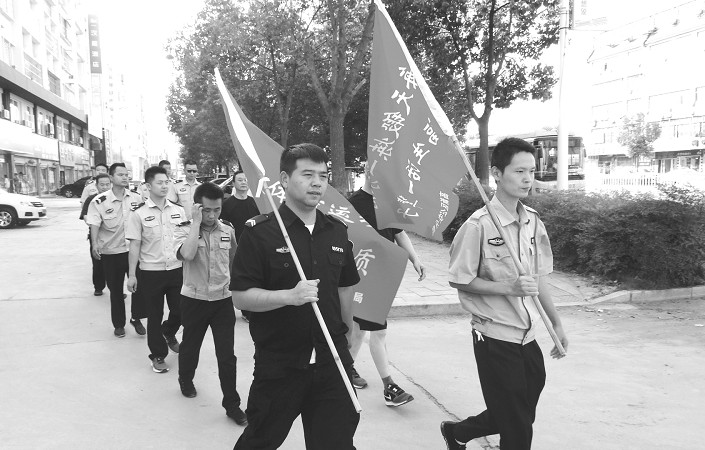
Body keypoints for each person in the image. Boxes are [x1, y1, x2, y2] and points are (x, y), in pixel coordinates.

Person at [231, 143, 361, 449]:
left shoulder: (336, 231)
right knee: (260, 441)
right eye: (307, 175)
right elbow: (241, 297)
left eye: (323, 176)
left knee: (336, 444)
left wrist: (347, 335)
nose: (317, 183)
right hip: (280, 364)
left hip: (332, 362)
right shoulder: (260, 233)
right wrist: (289, 296)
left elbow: (345, 287)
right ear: (285, 180)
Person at [442, 137, 569, 450]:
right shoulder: (479, 226)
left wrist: (556, 323)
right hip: (494, 336)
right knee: (517, 427)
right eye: (519, 171)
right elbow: (460, 279)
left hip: (528, 336)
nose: (527, 179)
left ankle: (458, 432)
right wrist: (508, 288)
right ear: (497, 174)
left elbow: (539, 278)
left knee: (520, 412)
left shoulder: (533, 221)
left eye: (531, 171)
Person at [346, 161, 426, 407]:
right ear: (367, 171)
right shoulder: (353, 204)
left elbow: (399, 233)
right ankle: (388, 386)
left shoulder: (388, 203)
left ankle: (345, 372)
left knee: (362, 331)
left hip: (383, 276)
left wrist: (415, 259)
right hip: (361, 275)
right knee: (368, 330)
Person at [174, 181, 246, 426]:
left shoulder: (227, 230)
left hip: (222, 300)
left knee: (227, 356)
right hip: (194, 299)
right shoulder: (184, 229)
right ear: (197, 207)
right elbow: (187, 254)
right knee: (191, 346)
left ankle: (232, 404)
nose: (212, 215)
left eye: (217, 210)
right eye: (206, 210)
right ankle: (186, 379)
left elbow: (234, 260)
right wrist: (195, 223)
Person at [126, 166, 186, 373]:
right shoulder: (138, 214)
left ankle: (168, 331)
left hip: (176, 269)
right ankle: (158, 355)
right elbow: (134, 245)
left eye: (166, 182)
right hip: (151, 272)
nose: (164, 186)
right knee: (154, 315)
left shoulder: (178, 211)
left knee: (181, 311)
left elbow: (185, 240)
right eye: (159, 182)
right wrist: (132, 275)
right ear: (148, 186)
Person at [85, 163, 147, 338]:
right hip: (112, 252)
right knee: (116, 291)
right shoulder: (100, 201)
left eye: (126, 174)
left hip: (134, 251)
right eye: (120, 175)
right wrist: (95, 244)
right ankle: (119, 324)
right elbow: (94, 223)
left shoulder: (136, 198)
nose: (125, 177)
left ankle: (136, 318)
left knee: (139, 287)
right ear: (111, 178)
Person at [219, 170, 260, 322]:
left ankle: (249, 309)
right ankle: (238, 309)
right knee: (235, 278)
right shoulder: (227, 204)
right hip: (233, 247)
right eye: (240, 180)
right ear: (234, 183)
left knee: (252, 278)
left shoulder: (254, 202)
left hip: (253, 247)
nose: (244, 182)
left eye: (246, 179)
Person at [80, 173, 112, 296]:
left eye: (107, 184)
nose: (105, 187)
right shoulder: (91, 200)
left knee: (113, 265)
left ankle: (115, 289)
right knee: (98, 263)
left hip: (113, 237)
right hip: (97, 236)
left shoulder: (115, 198)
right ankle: (98, 287)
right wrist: (96, 224)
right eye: (102, 185)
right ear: (96, 186)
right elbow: (85, 216)